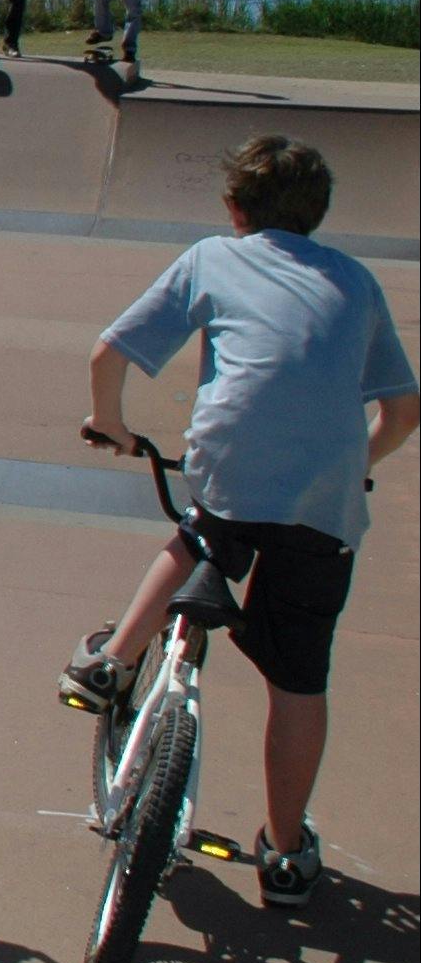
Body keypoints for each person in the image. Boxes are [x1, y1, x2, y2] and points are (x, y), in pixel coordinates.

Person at [60, 136, 418, 910]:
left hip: (229, 473)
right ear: (318, 213)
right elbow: (403, 410)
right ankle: (285, 854)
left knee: (200, 532)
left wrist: (109, 422)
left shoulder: (213, 258)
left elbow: (108, 353)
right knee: (298, 681)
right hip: (323, 506)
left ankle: (112, 662)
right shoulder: (355, 281)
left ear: (234, 208)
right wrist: (357, 464)